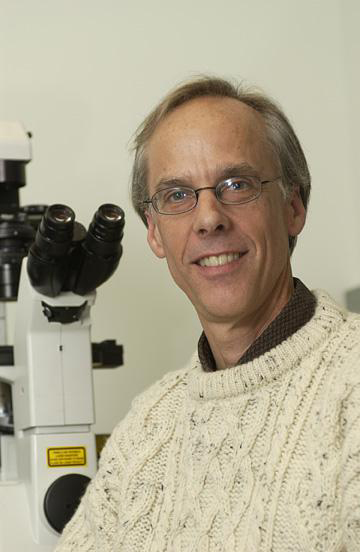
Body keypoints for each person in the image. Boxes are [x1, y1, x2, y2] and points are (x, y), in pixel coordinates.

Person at [55, 76, 360, 551]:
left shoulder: (351, 386)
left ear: (293, 206)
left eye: (236, 184)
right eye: (177, 195)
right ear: (154, 233)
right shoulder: (147, 430)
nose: (208, 218)